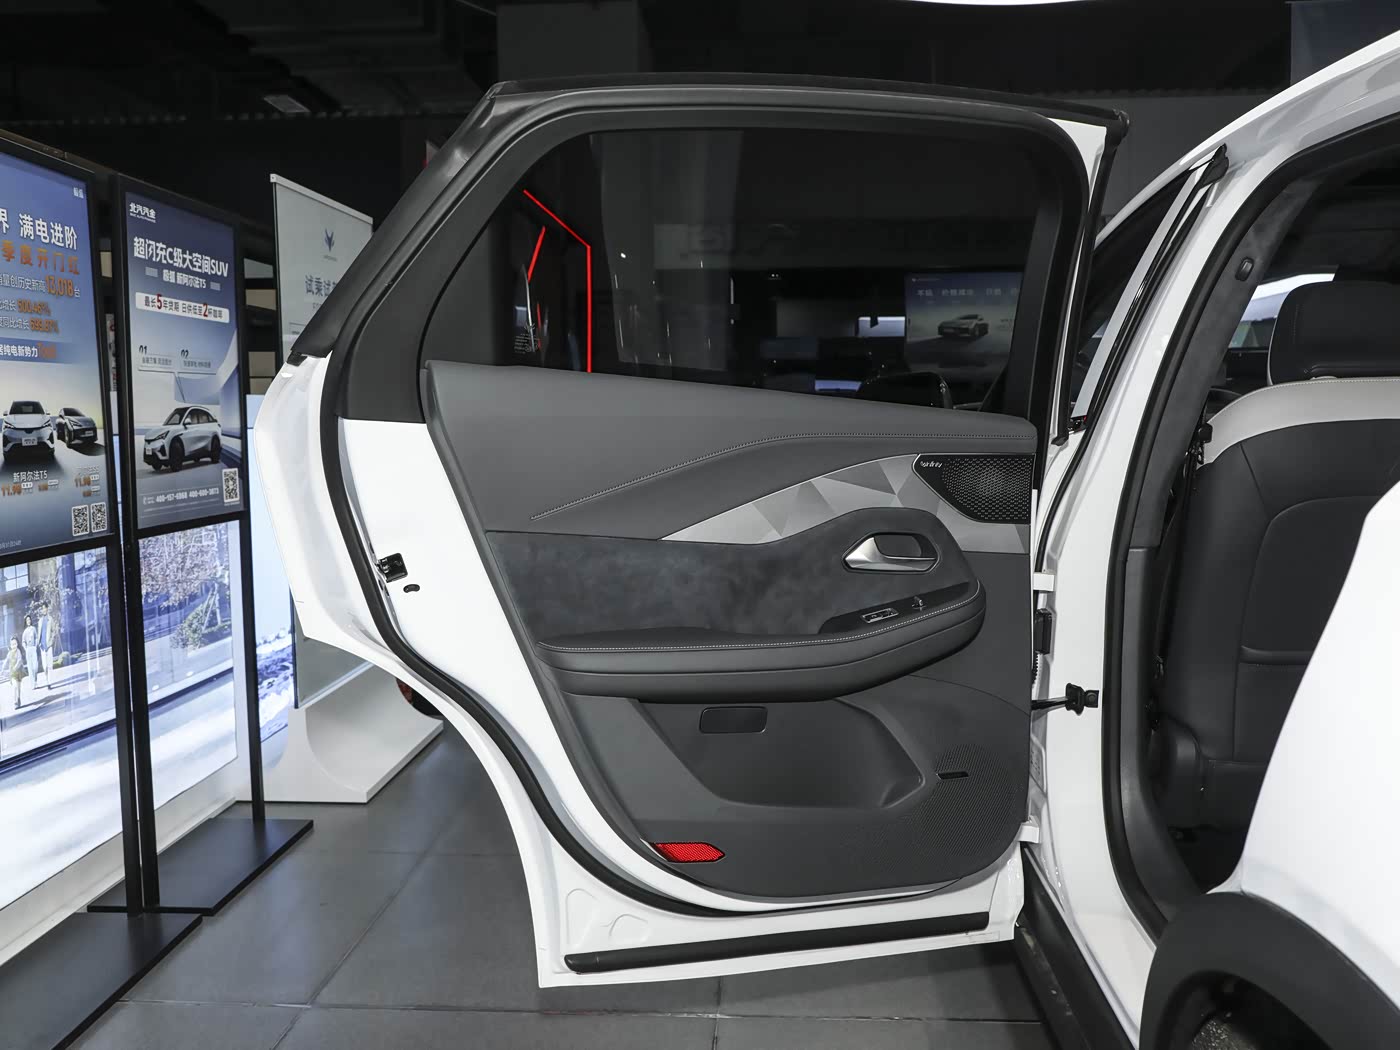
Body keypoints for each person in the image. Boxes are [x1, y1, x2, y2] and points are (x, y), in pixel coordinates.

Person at [37, 605, 55, 687]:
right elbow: (39, 633)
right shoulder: (40, 620)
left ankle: (49, 682)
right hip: (42, 646)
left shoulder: (50, 619)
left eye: (45, 608)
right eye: (42, 608)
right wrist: (39, 643)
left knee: (49, 664)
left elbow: (53, 631)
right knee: (44, 666)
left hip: (49, 645)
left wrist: (51, 641)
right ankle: (47, 680)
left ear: (47, 609)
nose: (44, 610)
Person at [21, 615, 37, 703]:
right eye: (27, 620)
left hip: (33, 648)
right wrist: (25, 648)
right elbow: (23, 642)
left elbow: (36, 637)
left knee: (35, 667)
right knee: (30, 668)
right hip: (28, 650)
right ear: (25, 622)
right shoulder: (25, 631)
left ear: (31, 620)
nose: (28, 621)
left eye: (29, 619)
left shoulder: (33, 629)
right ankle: (32, 684)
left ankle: (35, 680)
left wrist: (35, 645)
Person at [6, 636, 24, 711]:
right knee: (15, 686)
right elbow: (6, 661)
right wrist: (2, 669)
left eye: (15, 644)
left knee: (18, 687)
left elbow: (19, 660)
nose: (14, 646)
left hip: (18, 672)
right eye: (12, 644)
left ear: (17, 644)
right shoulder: (9, 653)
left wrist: (16, 667)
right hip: (12, 673)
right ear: (10, 645)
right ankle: (15, 702)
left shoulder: (18, 651)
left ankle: (19, 698)